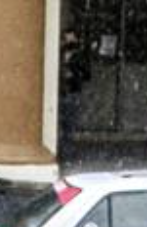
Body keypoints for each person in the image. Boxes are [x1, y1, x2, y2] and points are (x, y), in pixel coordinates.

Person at [59, 28, 91, 162]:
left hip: (72, 92)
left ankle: (67, 154)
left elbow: (87, 74)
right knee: (62, 126)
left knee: (69, 127)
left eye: (71, 39)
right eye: (66, 39)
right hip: (61, 92)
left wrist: (74, 73)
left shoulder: (80, 54)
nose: (68, 42)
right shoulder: (60, 53)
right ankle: (63, 152)